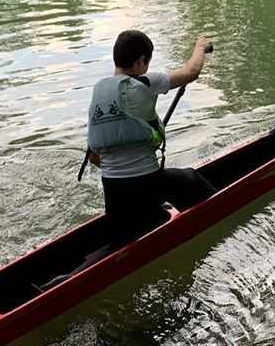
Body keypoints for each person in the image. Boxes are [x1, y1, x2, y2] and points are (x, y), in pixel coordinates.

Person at [85, 30, 216, 246]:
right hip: (148, 183)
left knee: (122, 234)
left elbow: (94, 158)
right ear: (141, 61)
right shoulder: (145, 82)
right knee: (191, 178)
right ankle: (222, 210)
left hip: (114, 192)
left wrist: (122, 173)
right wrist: (200, 47)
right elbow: (191, 71)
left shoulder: (101, 95)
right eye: (147, 62)